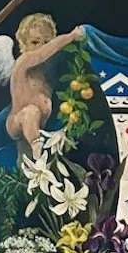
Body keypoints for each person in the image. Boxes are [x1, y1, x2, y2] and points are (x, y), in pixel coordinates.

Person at [5, 14, 84, 159]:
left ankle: (36, 151)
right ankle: (36, 146)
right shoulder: (24, 61)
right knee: (31, 111)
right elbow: (42, 53)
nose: (41, 46)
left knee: (26, 162)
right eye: (35, 42)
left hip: (40, 124)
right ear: (23, 44)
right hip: (18, 121)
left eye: (47, 42)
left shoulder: (47, 69)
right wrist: (71, 36)